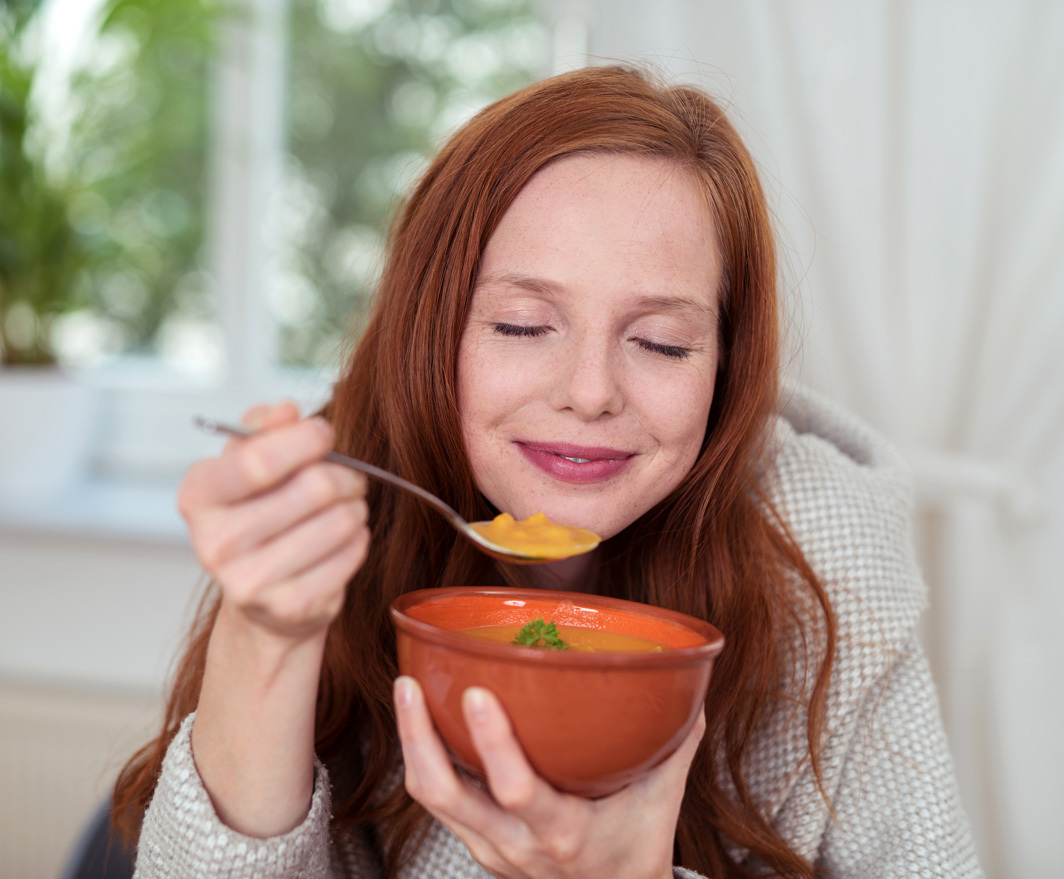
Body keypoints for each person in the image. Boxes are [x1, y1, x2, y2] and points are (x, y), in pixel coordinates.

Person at [113, 65, 983, 878]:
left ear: (726, 363)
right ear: (433, 330)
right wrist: (268, 632)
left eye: (661, 342)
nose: (592, 392)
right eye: (525, 325)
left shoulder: (825, 563)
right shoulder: (325, 520)